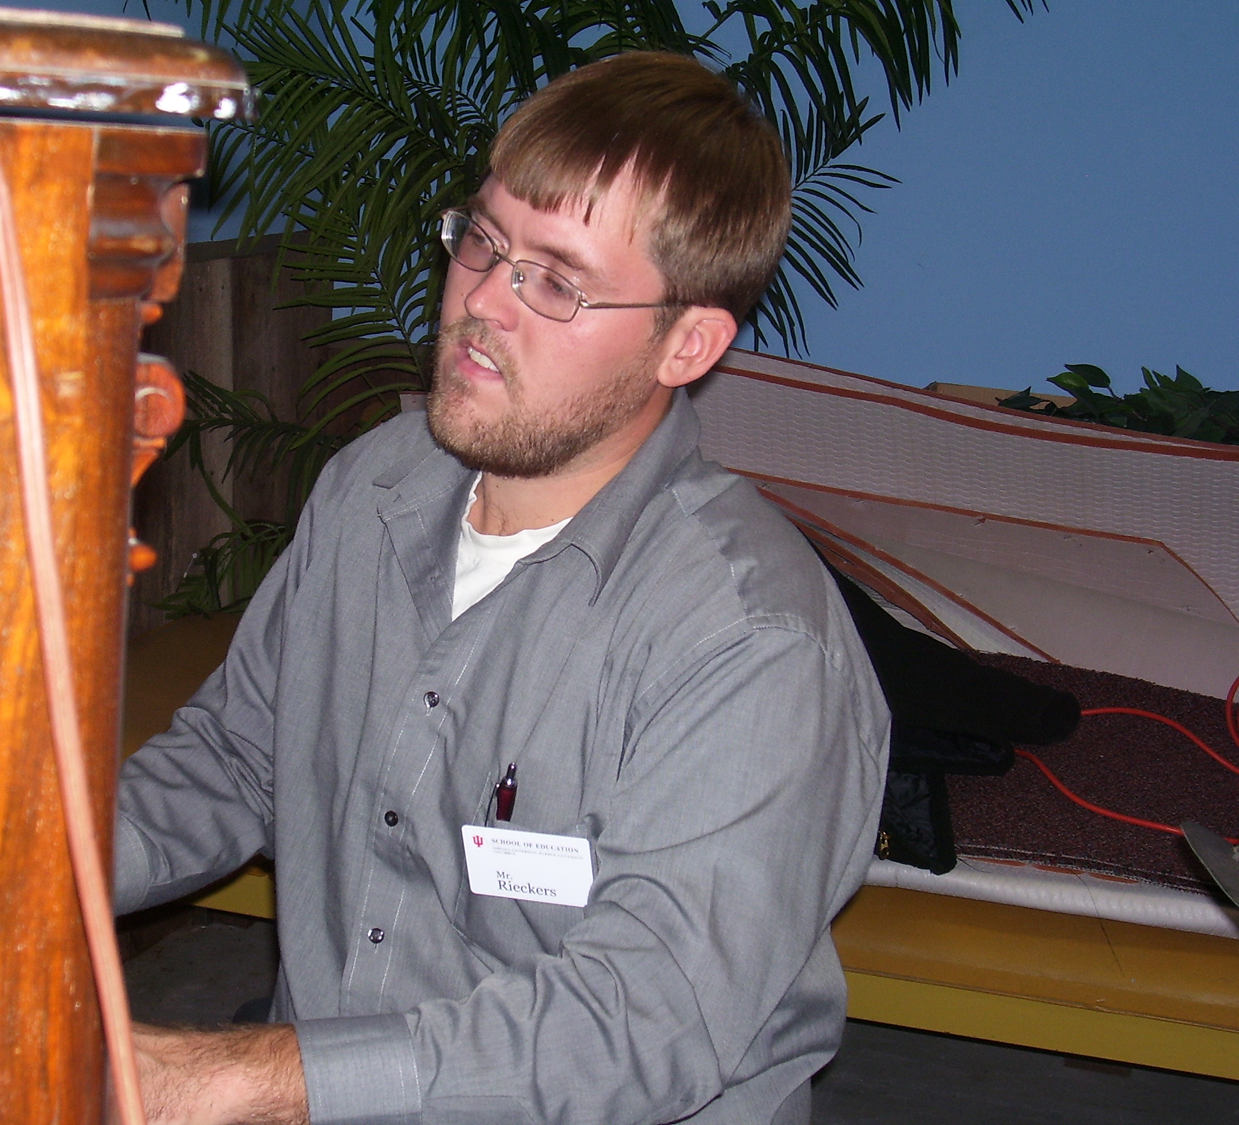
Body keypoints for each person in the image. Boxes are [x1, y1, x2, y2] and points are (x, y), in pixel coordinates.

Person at [116, 50, 889, 1125]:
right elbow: (241, 756)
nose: (482, 300)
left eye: (558, 282)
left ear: (687, 344)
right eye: (482, 240)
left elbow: (638, 1023)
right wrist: (16, 868)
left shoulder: (752, 643)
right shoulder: (374, 487)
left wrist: (248, 1079)